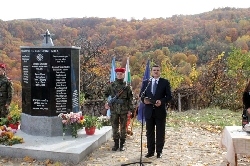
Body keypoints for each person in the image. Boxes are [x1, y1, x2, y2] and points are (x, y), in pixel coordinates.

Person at [140, 64, 172, 158]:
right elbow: (141, 95)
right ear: (151, 71)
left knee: (160, 132)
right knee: (149, 132)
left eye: (157, 70)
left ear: (160, 71)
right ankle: (150, 151)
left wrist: (161, 101)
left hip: (160, 111)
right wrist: (144, 100)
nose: (156, 72)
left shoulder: (165, 82)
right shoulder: (147, 82)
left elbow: (169, 96)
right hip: (149, 112)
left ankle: (159, 152)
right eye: (154, 70)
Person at [104, 67, 133, 151]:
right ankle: (116, 144)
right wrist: (106, 102)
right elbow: (105, 94)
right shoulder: (111, 85)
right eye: (118, 74)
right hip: (114, 110)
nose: (119, 75)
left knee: (123, 128)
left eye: (121, 74)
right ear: (116, 74)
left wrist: (130, 110)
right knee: (115, 127)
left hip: (124, 109)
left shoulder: (127, 87)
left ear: (123, 75)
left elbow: (130, 98)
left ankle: (122, 145)